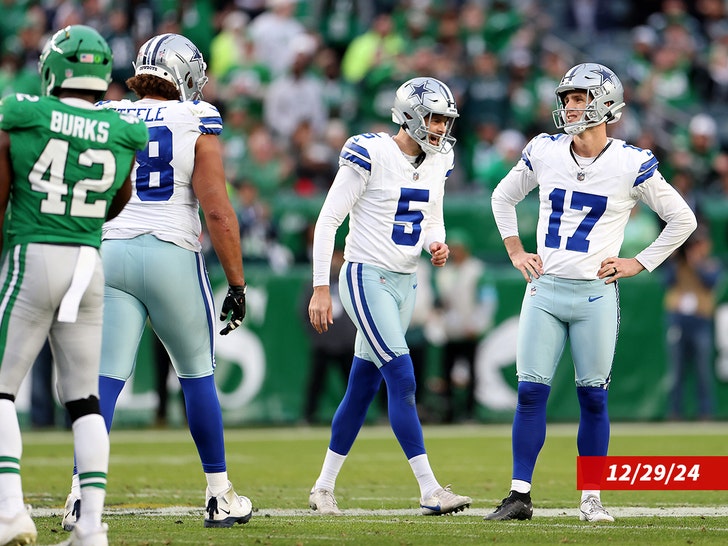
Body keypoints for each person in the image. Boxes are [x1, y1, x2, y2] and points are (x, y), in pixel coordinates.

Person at [486, 63, 697, 522]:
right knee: (529, 393)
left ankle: (592, 496)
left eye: (579, 98)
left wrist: (637, 262)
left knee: (594, 398)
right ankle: (519, 494)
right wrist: (516, 250)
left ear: (604, 104)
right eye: (567, 98)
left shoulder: (629, 162)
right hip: (544, 290)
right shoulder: (544, 150)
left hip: (595, 295)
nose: (569, 106)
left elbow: (683, 219)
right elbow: (502, 197)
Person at [61, 33, 252, 531]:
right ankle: (218, 494)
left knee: (104, 381)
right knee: (196, 373)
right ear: (182, 73)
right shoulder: (196, 116)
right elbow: (216, 208)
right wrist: (237, 283)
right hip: (170, 250)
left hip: (110, 250)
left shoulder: (106, 114)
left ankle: (82, 495)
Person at [0, 25, 148, 546]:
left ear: (53, 69)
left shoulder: (23, 112)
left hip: (34, 252)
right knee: (84, 400)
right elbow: (118, 197)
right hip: (89, 261)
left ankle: (10, 510)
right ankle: (90, 528)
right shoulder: (121, 130)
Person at [307, 76, 471, 516]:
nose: (440, 127)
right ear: (411, 114)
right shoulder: (372, 152)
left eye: (444, 119)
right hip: (365, 276)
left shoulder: (439, 159)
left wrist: (436, 242)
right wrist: (322, 287)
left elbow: (430, 213)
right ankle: (429, 489)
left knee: (361, 387)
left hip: (405, 281)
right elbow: (328, 222)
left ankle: (322, 487)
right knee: (403, 376)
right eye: (434, 117)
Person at [664, 226, 722, 420]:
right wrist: (674, 255)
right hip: (679, 320)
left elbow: (711, 281)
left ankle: (705, 412)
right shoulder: (677, 265)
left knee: (703, 371)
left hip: (700, 321)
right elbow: (666, 280)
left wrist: (697, 263)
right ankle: (675, 412)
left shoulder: (711, 264)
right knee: (676, 370)